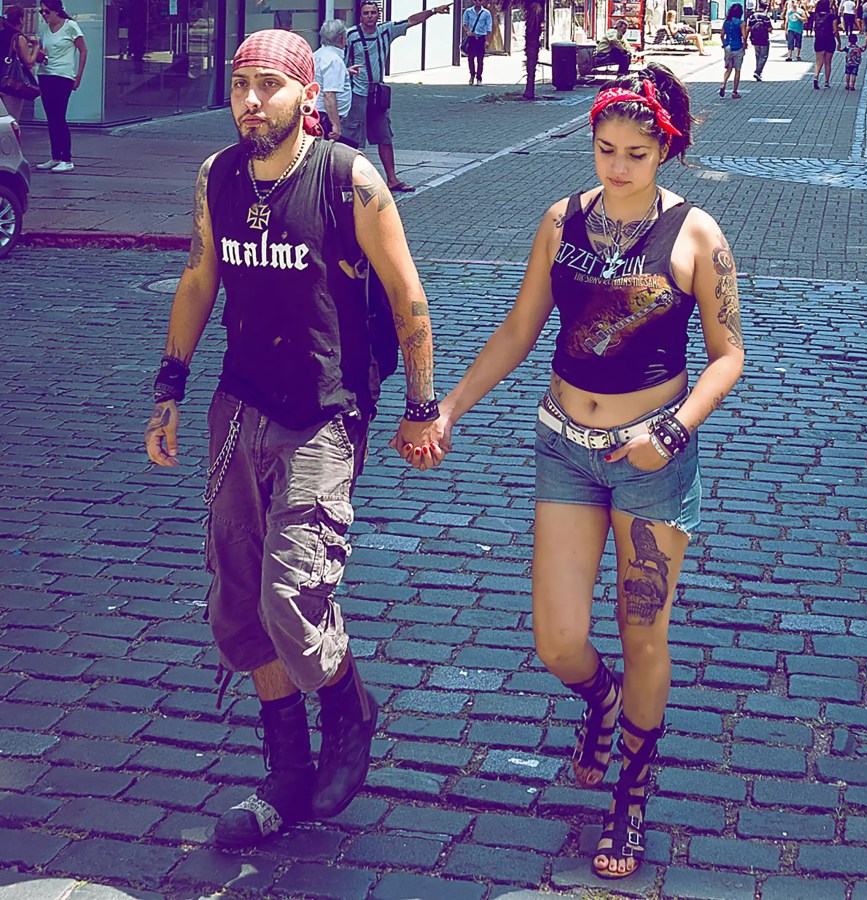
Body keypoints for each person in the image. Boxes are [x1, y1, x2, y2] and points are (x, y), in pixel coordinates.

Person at [434, 61, 744, 883]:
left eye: (636, 153)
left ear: (665, 151)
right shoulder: (561, 221)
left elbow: (729, 355)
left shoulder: (697, 237)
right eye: (605, 149)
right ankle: (599, 703)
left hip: (651, 458)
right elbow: (519, 329)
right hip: (563, 444)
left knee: (645, 635)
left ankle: (631, 795)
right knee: (559, 639)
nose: (615, 167)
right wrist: (450, 407)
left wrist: (673, 433)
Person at [144, 28, 445, 849]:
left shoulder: (349, 179)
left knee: (292, 595)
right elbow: (201, 277)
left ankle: (348, 705)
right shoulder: (218, 177)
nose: (251, 101)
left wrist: (422, 407)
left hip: (323, 410)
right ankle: (285, 770)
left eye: (269, 86)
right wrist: (169, 390)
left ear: (307, 98)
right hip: (238, 409)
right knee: (237, 608)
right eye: (242, 85)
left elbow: (408, 296)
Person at [345, 0, 452, 193]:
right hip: (358, 94)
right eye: (366, 13)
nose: (369, 16)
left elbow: (411, 21)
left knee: (385, 137)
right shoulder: (352, 35)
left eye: (373, 13)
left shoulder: (386, 30)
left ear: (378, 15)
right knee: (354, 139)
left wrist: (434, 11)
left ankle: (392, 179)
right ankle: (350, 181)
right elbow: (343, 62)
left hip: (378, 94)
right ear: (360, 16)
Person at [33, 0, 84, 173]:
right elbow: (42, 49)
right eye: (42, 12)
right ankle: (55, 156)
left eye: (47, 12)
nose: (44, 15)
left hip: (62, 76)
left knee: (59, 116)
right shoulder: (44, 27)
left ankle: (67, 158)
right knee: (51, 117)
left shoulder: (71, 26)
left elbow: (83, 50)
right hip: (45, 74)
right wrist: (39, 55)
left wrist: (78, 76)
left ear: (56, 11)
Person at [314, 19, 355, 145]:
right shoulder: (333, 61)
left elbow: (321, 77)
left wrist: (345, 72)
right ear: (343, 39)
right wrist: (335, 125)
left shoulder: (318, 54)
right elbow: (329, 94)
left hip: (319, 114)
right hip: (327, 117)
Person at [0, 5, 38, 120]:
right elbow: (29, 62)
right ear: (21, 20)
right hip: (10, 86)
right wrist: (36, 46)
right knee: (11, 123)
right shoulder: (18, 38)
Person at [810, 0, 841, 87]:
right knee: (828, 62)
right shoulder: (832, 16)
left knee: (818, 61)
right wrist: (839, 41)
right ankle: (826, 82)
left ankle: (816, 77)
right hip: (829, 40)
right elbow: (835, 30)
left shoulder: (816, 16)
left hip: (819, 39)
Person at [462, 0, 493, 84]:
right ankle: (472, 75)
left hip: (481, 37)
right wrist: (468, 31)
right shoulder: (468, 11)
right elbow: (465, 23)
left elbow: (489, 27)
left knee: (480, 59)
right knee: (470, 58)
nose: (478, 2)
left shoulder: (486, 13)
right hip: (472, 37)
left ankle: (479, 77)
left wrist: (487, 40)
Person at [719, 4, 747, 97]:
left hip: (727, 47)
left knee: (728, 68)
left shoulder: (726, 22)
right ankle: (734, 92)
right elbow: (744, 36)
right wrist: (744, 45)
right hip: (737, 47)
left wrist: (724, 44)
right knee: (737, 70)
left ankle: (723, 83)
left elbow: (722, 35)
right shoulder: (741, 23)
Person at [748, 4, 773, 79]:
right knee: (764, 56)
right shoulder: (766, 17)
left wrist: (745, 38)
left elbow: (748, 27)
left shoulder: (753, 16)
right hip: (764, 38)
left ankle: (758, 71)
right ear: (765, 8)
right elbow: (769, 29)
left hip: (754, 39)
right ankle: (758, 71)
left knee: (758, 55)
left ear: (759, 6)